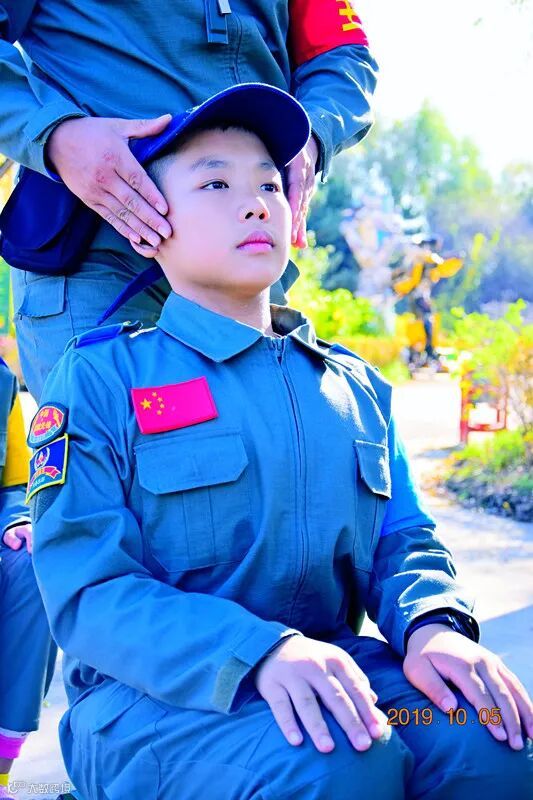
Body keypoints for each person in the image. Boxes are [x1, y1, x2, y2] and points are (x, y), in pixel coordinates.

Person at [29, 85, 532, 800]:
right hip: (154, 706)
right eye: (215, 184)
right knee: (340, 762)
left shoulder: (353, 386)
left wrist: (433, 624)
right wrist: (259, 650)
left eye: (269, 184)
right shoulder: (105, 379)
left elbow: (403, 539)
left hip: (333, 672)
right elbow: (89, 591)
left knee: (491, 737)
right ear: (149, 222)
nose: (256, 203)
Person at [0, 0, 378, 401]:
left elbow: (342, 53)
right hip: (95, 252)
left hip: (243, 271)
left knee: (261, 434)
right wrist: (52, 131)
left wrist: (315, 132)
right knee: (108, 431)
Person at [0, 358, 57, 800]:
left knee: (33, 568)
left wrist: (16, 520)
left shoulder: (2, 379)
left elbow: (14, 484)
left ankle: (2, 770)